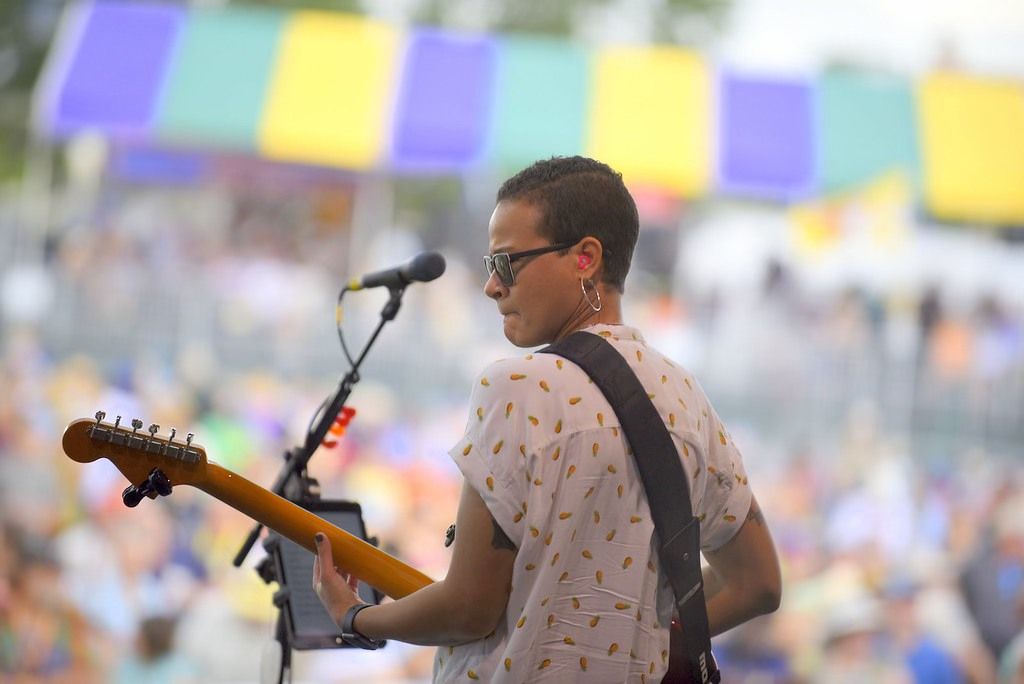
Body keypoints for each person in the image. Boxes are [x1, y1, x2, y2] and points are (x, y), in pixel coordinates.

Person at [313, 156, 782, 682]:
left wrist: (355, 614)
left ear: (585, 259)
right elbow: (759, 583)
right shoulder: (687, 399)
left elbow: (469, 607)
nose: (492, 286)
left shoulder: (517, 388)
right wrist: (635, 639)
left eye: (506, 263)